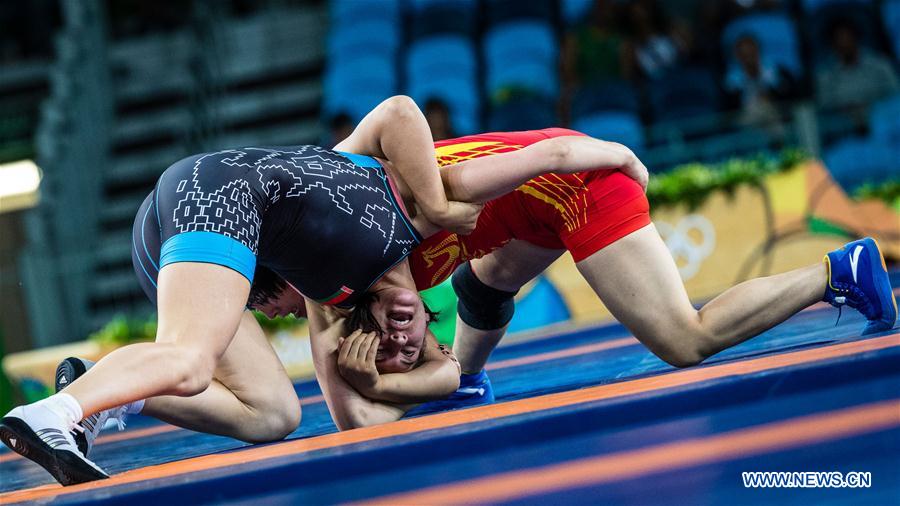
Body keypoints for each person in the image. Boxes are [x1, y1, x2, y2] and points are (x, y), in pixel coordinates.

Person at [0, 97, 649, 485]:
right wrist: (617, 155)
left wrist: (406, 375)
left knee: (272, 416)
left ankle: (101, 389)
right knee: (193, 357)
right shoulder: (413, 214)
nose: (411, 321)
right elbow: (409, 113)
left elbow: (352, 421)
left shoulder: (335, 275)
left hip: (197, 203)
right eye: (413, 325)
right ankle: (51, 416)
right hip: (215, 193)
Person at [289, 128, 898, 428]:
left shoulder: (400, 219)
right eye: (408, 347)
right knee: (483, 283)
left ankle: (835, 271)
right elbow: (365, 417)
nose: (410, 342)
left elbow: (551, 154)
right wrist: (396, 383)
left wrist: (622, 156)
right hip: (525, 208)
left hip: (576, 181)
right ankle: (474, 382)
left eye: (401, 336)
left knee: (684, 340)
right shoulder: (363, 278)